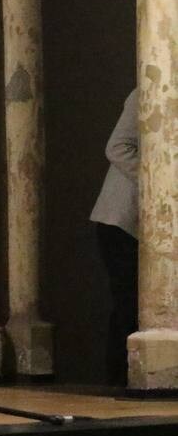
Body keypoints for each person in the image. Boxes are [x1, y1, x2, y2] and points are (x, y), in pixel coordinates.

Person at [89, 88, 139, 387]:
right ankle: (119, 382)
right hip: (120, 221)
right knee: (128, 303)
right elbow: (117, 147)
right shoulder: (145, 92)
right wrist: (162, 179)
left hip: (147, 225)